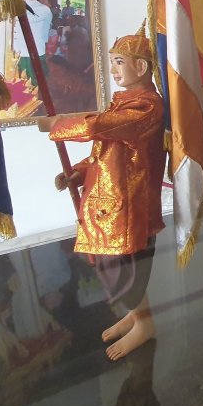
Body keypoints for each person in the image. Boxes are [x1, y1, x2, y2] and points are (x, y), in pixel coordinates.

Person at [38, 26, 167, 361]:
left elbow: (99, 127)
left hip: (130, 207)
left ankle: (145, 323)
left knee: (124, 269)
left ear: (141, 67)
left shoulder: (147, 107)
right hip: (109, 205)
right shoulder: (123, 103)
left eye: (119, 62)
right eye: (113, 62)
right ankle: (135, 315)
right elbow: (105, 152)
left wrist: (58, 124)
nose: (113, 70)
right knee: (113, 267)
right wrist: (78, 173)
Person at [12, 0, 53, 87]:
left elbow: (24, 18)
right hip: (15, 52)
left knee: (31, 85)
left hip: (31, 53)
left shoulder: (43, 9)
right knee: (16, 85)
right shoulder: (16, 5)